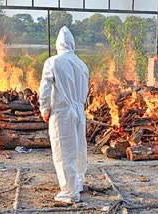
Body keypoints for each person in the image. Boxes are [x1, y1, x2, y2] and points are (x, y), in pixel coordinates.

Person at [39, 26, 89, 204]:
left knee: (64, 150)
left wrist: (45, 110)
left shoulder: (53, 62)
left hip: (62, 111)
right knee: (79, 149)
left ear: (58, 44)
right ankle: (78, 183)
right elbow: (86, 91)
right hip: (79, 110)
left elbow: (45, 89)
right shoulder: (82, 64)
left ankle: (69, 192)